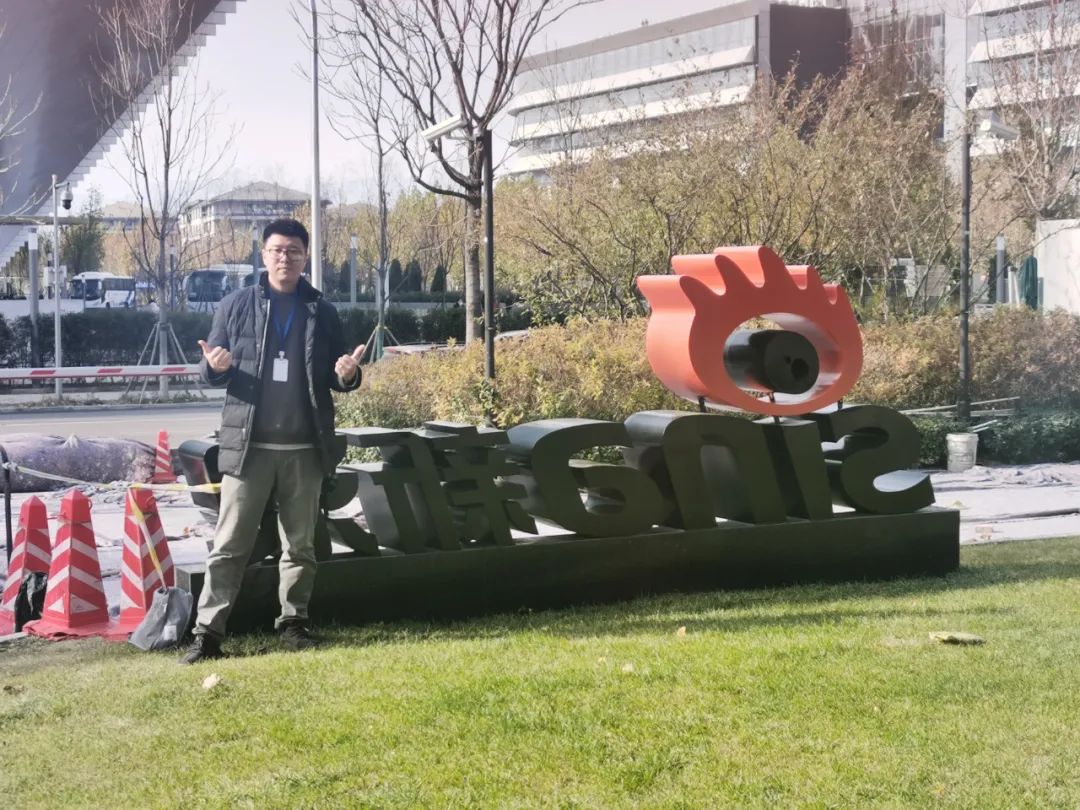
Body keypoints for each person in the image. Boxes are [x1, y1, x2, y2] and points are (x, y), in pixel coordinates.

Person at [181, 218, 364, 664]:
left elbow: (338, 374)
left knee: (300, 547)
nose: (286, 258)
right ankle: (208, 634)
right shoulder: (235, 305)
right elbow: (210, 369)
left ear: (306, 257)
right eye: (278, 250)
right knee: (229, 546)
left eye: (294, 251)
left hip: (304, 449)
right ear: (264, 255)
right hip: (249, 448)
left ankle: (293, 624)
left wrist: (349, 374)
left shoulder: (322, 311)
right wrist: (215, 366)